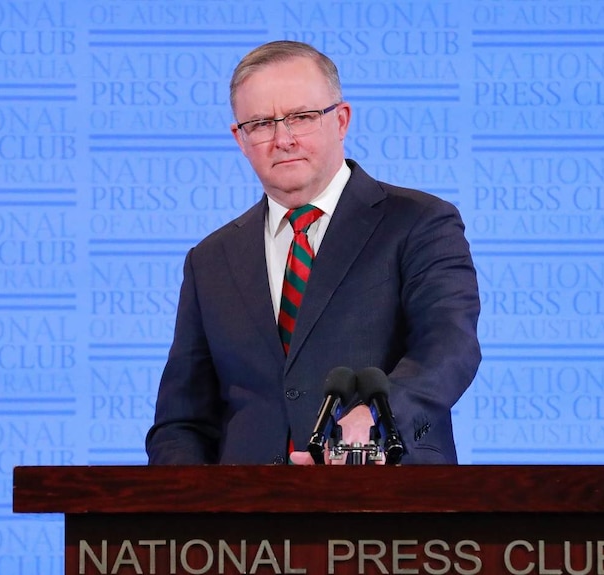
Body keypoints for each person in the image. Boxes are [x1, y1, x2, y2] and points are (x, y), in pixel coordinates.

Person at [145, 40, 481, 466]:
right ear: (240, 138)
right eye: (261, 123)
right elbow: (182, 419)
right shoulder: (210, 258)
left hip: (387, 499)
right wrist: (185, 508)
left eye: (301, 117)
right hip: (244, 520)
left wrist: (378, 416)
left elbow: (449, 347)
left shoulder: (419, 222)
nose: (282, 139)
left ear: (341, 120)